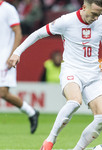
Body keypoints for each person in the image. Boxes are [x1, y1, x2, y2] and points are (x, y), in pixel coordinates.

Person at [9, 0, 102, 149]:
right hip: (72, 70)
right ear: (84, 7)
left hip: (93, 75)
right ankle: (50, 140)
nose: (96, 18)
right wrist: (17, 52)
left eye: (99, 14)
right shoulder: (66, 21)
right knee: (75, 101)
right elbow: (38, 34)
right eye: (93, 14)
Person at [0, 0, 39, 134]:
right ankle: (32, 112)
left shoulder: (8, 9)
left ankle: (31, 112)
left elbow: (18, 32)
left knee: (2, 92)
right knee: (3, 93)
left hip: (4, 57)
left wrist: (13, 54)